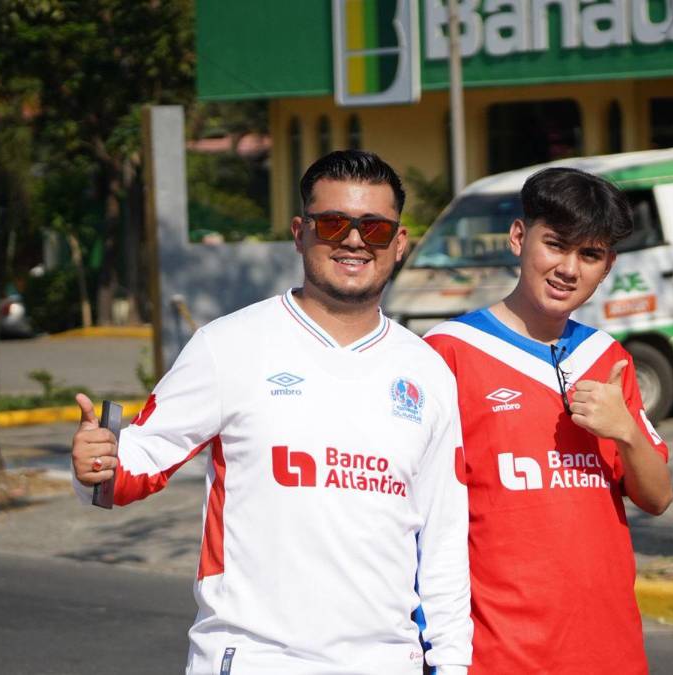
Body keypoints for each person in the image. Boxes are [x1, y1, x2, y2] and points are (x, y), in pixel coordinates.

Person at [71, 150, 472, 675]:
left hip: (387, 661)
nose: (354, 240)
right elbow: (134, 461)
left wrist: (453, 664)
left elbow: (443, 543)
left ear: (399, 244)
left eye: (374, 229)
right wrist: (95, 464)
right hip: (254, 658)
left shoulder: (428, 373)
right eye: (334, 223)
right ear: (300, 232)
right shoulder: (228, 346)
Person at [422, 167, 673, 674]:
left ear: (608, 266)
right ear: (519, 237)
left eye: (589, 254)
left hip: (611, 652)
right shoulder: (447, 353)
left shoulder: (608, 357)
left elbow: (657, 496)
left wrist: (625, 430)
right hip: (497, 657)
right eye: (555, 245)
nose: (568, 269)